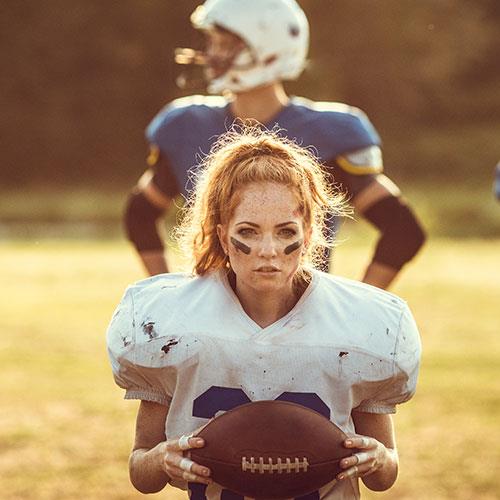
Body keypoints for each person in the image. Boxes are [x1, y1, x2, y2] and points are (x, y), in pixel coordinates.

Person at [108, 128, 422, 499]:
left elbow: (383, 476)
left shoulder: (360, 326)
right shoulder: (170, 324)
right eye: (249, 232)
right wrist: (162, 457)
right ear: (223, 236)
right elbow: (141, 472)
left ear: (307, 235)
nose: (268, 250)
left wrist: (378, 458)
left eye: (285, 231)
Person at [124, 0, 425, 289]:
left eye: (226, 43)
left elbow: (403, 230)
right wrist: (163, 292)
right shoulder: (186, 125)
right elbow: (139, 213)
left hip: (299, 317)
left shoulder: (331, 132)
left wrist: (357, 308)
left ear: (268, 47)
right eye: (212, 42)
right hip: (211, 323)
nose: (213, 53)